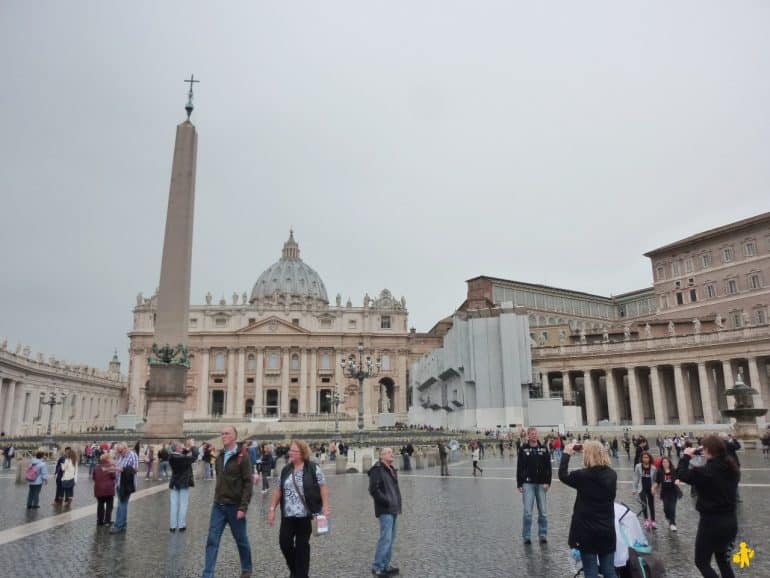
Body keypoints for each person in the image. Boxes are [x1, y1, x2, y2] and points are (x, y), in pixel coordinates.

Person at [677, 434, 739, 578]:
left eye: (704, 448)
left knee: (702, 562)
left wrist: (686, 456)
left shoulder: (706, 472)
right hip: (730, 522)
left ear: (708, 450)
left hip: (711, 523)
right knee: (723, 562)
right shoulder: (731, 468)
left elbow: (682, 474)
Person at [267, 440, 330, 578]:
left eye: (294, 451)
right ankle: (296, 570)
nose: (290, 453)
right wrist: (272, 509)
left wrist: (325, 506)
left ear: (302, 453)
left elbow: (323, 487)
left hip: (305, 515)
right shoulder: (286, 469)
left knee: (302, 547)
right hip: (288, 515)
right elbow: (278, 490)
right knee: (284, 543)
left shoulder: (313, 468)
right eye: (290, 450)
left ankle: (300, 574)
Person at [559, 440, 618, 578]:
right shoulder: (612, 475)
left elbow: (563, 475)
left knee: (590, 571)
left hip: (587, 531)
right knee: (609, 570)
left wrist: (566, 454)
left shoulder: (582, 476)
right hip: (606, 529)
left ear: (588, 455)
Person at [203, 426, 253, 578]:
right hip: (218, 504)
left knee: (241, 540)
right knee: (212, 539)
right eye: (222, 433)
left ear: (234, 437)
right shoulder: (220, 455)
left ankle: (246, 568)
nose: (223, 436)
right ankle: (208, 573)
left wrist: (243, 507)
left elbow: (248, 483)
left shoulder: (243, 457)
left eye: (226, 433)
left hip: (235, 506)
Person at [369, 447, 403, 577]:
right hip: (385, 509)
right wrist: (387, 501)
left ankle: (385, 565)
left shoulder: (392, 470)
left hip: (393, 508)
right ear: (381, 456)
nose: (392, 454)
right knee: (386, 538)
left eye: (392, 452)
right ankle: (377, 567)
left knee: (391, 539)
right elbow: (373, 489)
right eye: (389, 452)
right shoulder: (377, 470)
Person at [516, 427, 551, 544]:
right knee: (527, 512)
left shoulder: (544, 449)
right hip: (527, 483)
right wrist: (519, 483)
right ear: (528, 436)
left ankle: (543, 534)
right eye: (532, 434)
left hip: (541, 483)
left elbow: (548, 467)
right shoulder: (523, 449)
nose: (534, 436)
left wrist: (548, 482)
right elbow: (519, 467)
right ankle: (526, 536)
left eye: (535, 434)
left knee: (543, 512)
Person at [110, 441, 138, 534]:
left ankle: (119, 525)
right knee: (122, 504)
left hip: (126, 484)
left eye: (120, 451)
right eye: (118, 451)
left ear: (126, 448)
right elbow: (118, 467)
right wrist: (113, 466)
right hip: (119, 483)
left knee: (122, 504)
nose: (119, 453)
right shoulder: (121, 456)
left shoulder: (132, 455)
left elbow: (135, 469)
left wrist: (120, 469)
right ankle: (122, 523)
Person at [169, 440, 196, 532]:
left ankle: (172, 526)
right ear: (177, 448)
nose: (182, 447)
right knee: (183, 504)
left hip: (174, 483)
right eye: (180, 446)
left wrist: (184, 449)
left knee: (173, 505)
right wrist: (192, 446)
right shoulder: (182, 458)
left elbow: (183, 454)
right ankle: (181, 525)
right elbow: (195, 456)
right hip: (183, 483)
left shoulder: (172, 456)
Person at [655, 456, 680, 531]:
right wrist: (653, 487)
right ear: (661, 463)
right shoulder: (659, 471)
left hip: (673, 492)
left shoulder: (673, 470)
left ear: (669, 463)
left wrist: (677, 481)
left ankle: (673, 523)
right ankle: (668, 517)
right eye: (663, 462)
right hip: (664, 492)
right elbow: (657, 481)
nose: (665, 463)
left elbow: (677, 478)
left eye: (666, 462)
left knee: (672, 508)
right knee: (666, 508)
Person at [633, 451, 657, 529]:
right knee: (644, 505)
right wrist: (634, 489)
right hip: (642, 488)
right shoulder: (638, 466)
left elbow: (655, 480)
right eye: (644, 457)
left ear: (649, 458)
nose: (645, 459)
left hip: (650, 488)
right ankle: (646, 520)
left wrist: (654, 488)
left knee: (651, 505)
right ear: (641, 458)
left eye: (647, 457)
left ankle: (653, 521)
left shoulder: (653, 467)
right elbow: (636, 478)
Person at [93, 452, 116, 526]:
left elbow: (94, 478)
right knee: (109, 505)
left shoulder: (96, 467)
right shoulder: (111, 466)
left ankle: (100, 521)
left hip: (98, 490)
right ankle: (107, 521)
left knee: (100, 505)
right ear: (107, 459)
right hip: (108, 490)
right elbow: (114, 476)